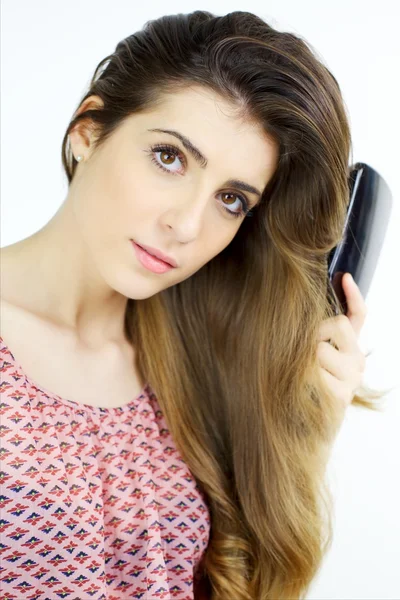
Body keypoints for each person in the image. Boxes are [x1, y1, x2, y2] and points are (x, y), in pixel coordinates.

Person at [0, 9, 387, 600]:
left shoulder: (196, 365)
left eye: (231, 200)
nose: (185, 225)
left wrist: (304, 434)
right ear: (88, 132)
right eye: (169, 158)